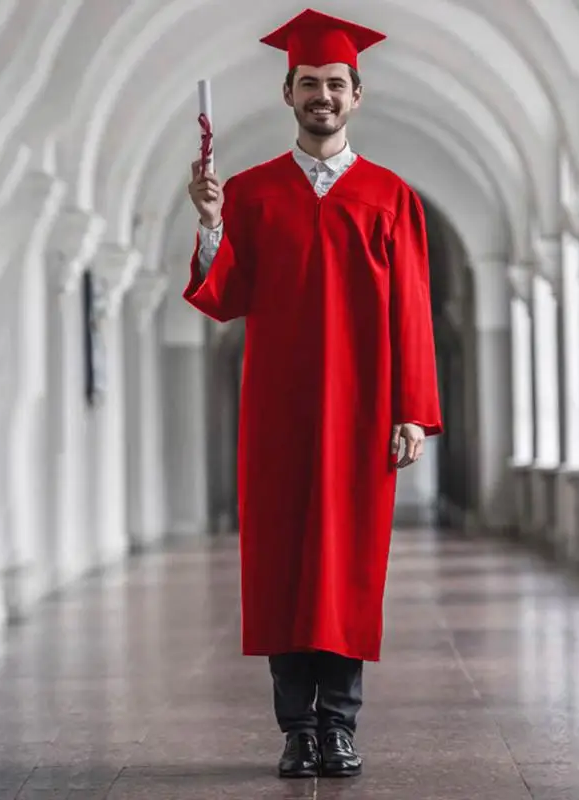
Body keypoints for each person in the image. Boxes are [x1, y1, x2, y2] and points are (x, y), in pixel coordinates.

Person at [184, 7, 442, 780]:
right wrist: (208, 224)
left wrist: (414, 411)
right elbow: (225, 295)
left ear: (357, 94)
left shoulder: (391, 197)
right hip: (279, 410)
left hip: (364, 411)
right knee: (283, 564)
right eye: (308, 84)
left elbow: (414, 312)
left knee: (349, 566)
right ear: (286, 92)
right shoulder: (254, 193)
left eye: (335, 83)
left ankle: (339, 725)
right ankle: (295, 729)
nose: (321, 95)